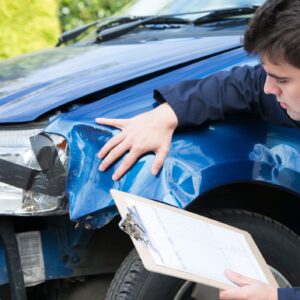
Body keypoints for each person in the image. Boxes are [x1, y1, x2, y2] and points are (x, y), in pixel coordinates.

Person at [96, 0, 300, 298]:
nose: (269, 88)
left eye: (281, 79)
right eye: (267, 73)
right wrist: (166, 115)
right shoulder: (279, 88)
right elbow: (244, 84)